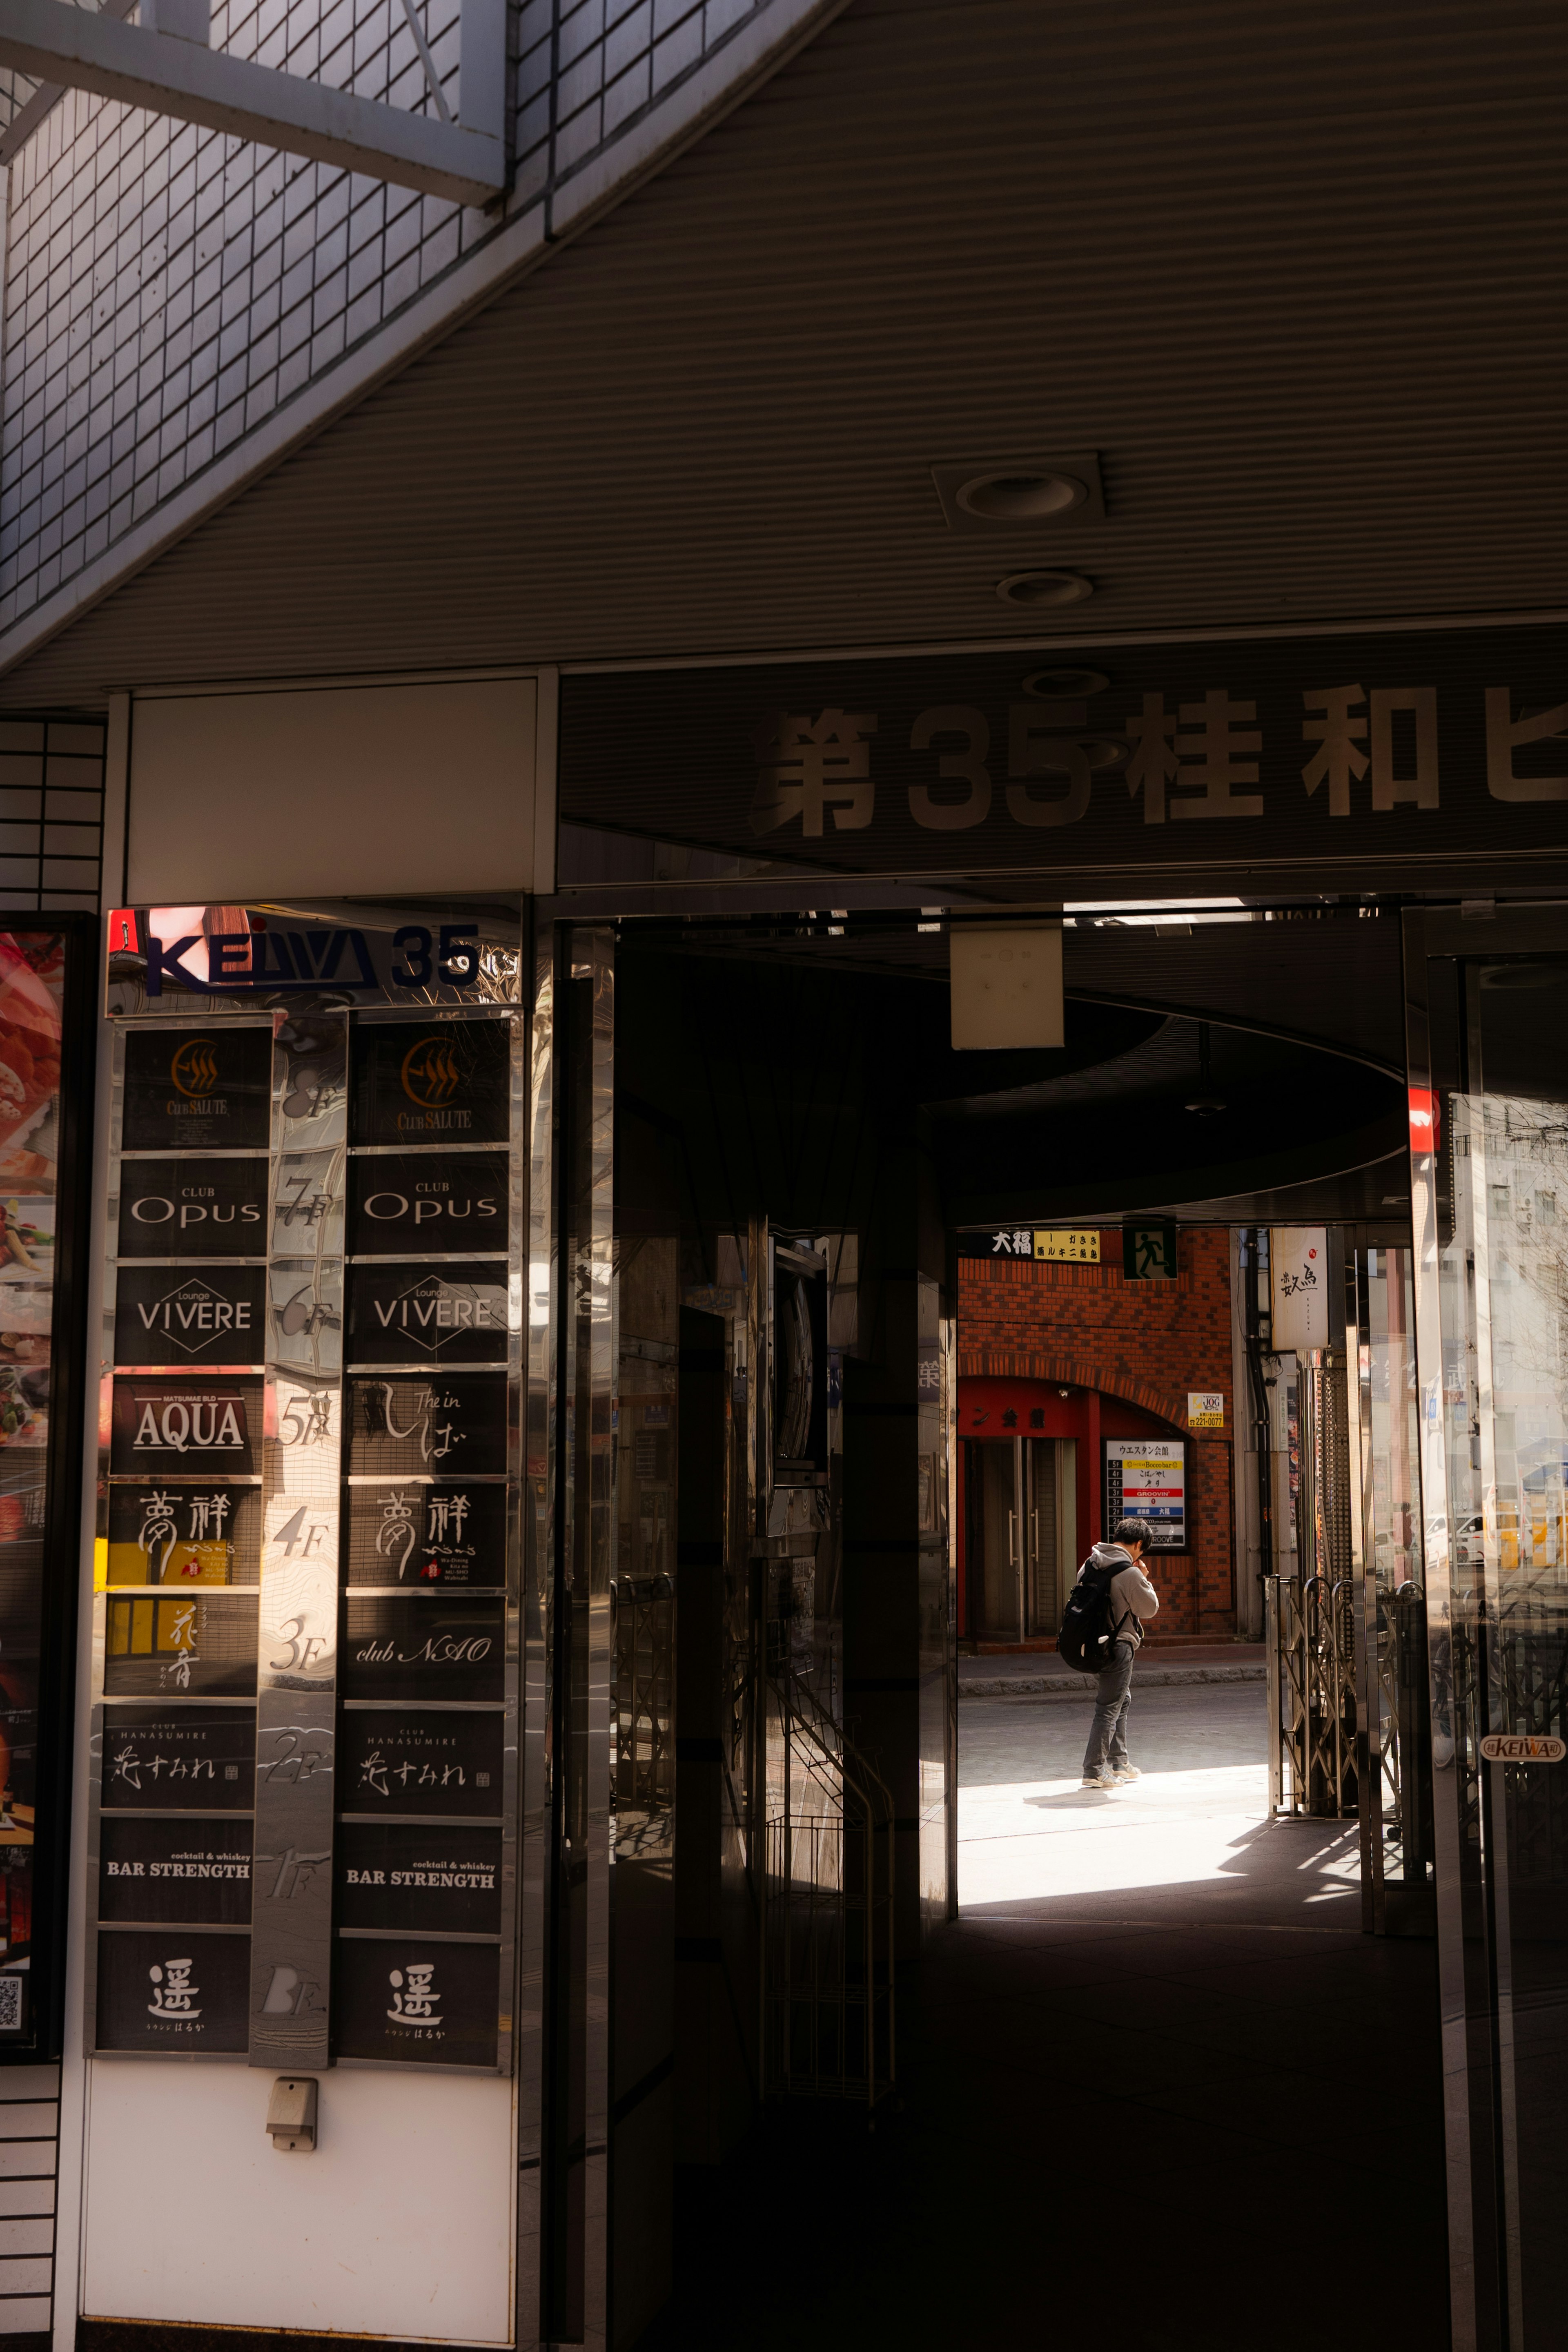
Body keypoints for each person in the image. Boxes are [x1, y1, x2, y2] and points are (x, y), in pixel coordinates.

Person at [1078, 1517, 1160, 1790]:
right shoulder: (1130, 1572)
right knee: (1108, 1709)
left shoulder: (1090, 1564)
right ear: (1138, 1544)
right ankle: (1094, 1770)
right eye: (1142, 1549)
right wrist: (1145, 1579)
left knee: (1121, 1699)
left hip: (1094, 1644)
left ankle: (1119, 1761)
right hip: (1119, 1645)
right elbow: (1148, 1608)